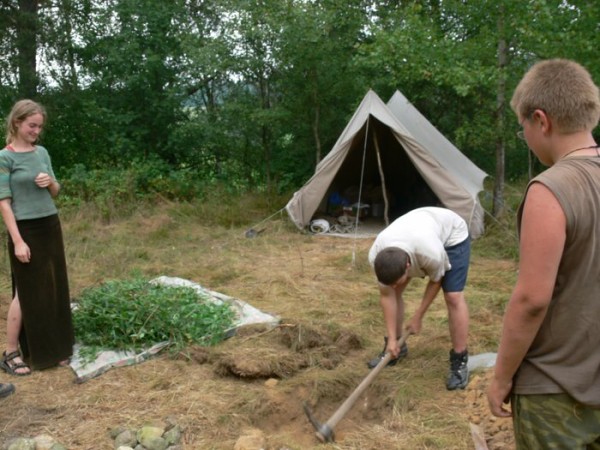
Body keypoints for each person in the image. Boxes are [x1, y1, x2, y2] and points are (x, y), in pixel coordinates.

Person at [486, 59, 600, 448]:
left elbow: (532, 300)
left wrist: (501, 376)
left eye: (524, 131)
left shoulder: (550, 189)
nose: (528, 140)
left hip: (556, 390)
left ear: (541, 120)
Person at [0, 99, 74, 376]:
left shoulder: (41, 152)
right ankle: (10, 352)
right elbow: (3, 203)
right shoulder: (4, 158)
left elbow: (55, 191)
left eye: (39, 127)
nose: (36, 131)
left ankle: (53, 349)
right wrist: (18, 241)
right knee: (26, 292)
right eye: (32, 126)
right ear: (17, 123)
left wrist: (50, 182)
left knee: (53, 288)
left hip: (49, 225)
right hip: (25, 230)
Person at [367, 206, 471, 390]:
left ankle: (460, 361)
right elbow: (387, 295)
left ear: (408, 267)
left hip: (452, 234)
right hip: (418, 229)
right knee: (394, 293)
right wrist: (391, 338)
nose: (393, 286)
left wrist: (418, 317)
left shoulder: (429, 253)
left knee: (453, 296)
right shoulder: (377, 255)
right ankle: (396, 347)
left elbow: (436, 280)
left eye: (397, 281)